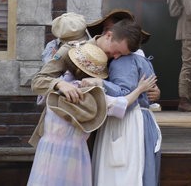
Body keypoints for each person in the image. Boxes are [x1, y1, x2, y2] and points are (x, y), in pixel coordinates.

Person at [27, 42, 157, 186]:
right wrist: (140, 89)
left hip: (46, 149)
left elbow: (39, 85)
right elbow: (121, 104)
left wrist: (57, 83)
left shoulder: (55, 88)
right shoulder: (86, 95)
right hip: (72, 154)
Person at [90, 19, 161, 186]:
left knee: (122, 176)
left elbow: (126, 93)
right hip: (139, 120)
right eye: (118, 51)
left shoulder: (125, 60)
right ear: (108, 34)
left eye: (121, 52)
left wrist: (100, 83)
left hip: (127, 123)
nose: (117, 56)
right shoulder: (136, 58)